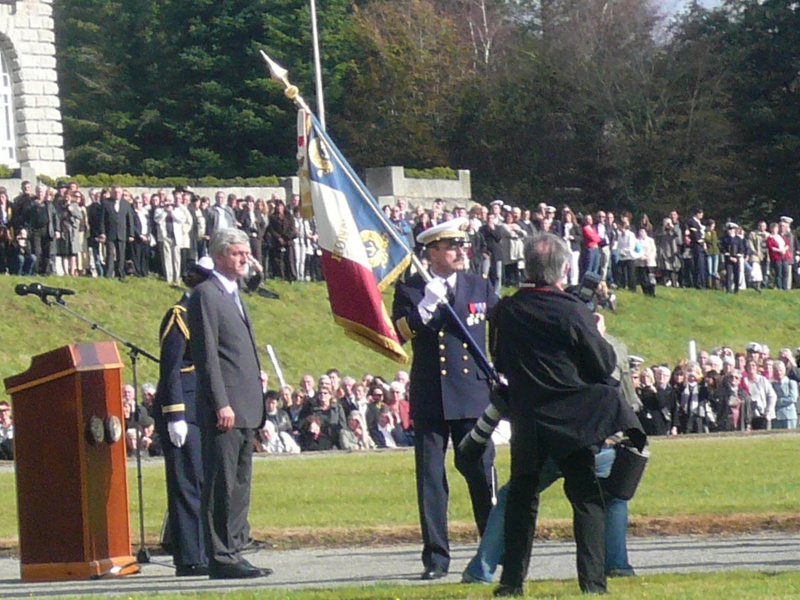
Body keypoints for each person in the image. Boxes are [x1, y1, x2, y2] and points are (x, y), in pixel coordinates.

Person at [488, 233, 643, 596]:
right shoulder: (572, 311)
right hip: (573, 419)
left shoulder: (506, 311)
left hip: (528, 417)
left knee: (522, 500)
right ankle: (592, 582)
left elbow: (500, 362)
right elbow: (603, 364)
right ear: (563, 268)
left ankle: (511, 582)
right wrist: (599, 332)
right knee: (586, 499)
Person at [391, 216, 498, 581]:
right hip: (432, 396)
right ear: (432, 252)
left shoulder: (478, 286)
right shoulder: (411, 289)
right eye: (450, 247)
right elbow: (397, 333)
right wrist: (425, 308)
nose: (459, 252)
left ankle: (491, 546)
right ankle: (436, 557)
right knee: (431, 482)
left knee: (482, 476)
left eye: (461, 246)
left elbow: (498, 329)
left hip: (472, 397)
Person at [187, 228, 271, 580]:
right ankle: (221, 555)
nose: (243, 259)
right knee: (222, 483)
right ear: (219, 256)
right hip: (227, 407)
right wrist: (220, 402)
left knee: (240, 483)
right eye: (236, 253)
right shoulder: (206, 294)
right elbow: (207, 355)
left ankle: (234, 548)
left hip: (246, 403)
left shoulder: (235, 293)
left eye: (246, 253)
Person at [154, 257, 214, 577]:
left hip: (201, 409)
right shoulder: (180, 315)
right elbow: (172, 367)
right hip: (183, 411)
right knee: (186, 484)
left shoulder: (204, 313)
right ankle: (189, 556)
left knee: (202, 482)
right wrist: (174, 412)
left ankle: (203, 549)